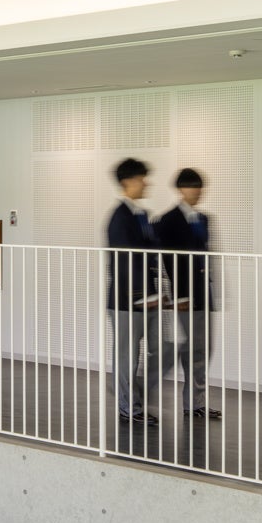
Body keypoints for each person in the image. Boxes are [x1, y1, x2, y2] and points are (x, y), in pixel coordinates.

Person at [152, 166, 222, 422]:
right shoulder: (167, 221)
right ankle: (186, 401)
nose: (197, 192)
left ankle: (196, 403)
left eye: (199, 187)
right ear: (181, 189)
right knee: (191, 350)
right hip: (184, 296)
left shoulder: (203, 219)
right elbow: (169, 263)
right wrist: (178, 296)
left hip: (203, 293)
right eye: (192, 187)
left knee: (203, 349)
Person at [105, 158, 163, 426]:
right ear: (127, 182)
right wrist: (141, 295)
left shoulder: (140, 215)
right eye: (141, 179)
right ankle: (128, 406)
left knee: (157, 349)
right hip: (127, 300)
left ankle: (131, 397)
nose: (146, 183)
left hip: (145, 297)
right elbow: (124, 263)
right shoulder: (120, 218)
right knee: (127, 356)